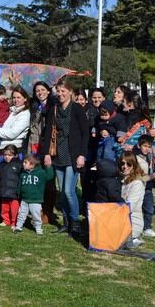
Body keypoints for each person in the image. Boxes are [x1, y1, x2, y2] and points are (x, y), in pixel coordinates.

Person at [43, 79, 89, 235]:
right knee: (62, 191)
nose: (60, 93)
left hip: (73, 154)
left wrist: (82, 154)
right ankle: (66, 222)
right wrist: (46, 154)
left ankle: (75, 223)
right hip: (57, 154)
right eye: (58, 91)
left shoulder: (76, 109)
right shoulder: (54, 109)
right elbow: (47, 133)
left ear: (70, 92)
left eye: (63, 91)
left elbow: (85, 133)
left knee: (69, 191)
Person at [28, 81, 56, 225]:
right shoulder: (34, 106)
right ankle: (36, 211)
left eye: (43, 89)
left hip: (48, 147)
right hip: (34, 146)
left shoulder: (53, 105)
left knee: (49, 181)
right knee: (37, 180)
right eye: (37, 90)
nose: (40, 92)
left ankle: (47, 212)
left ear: (49, 91)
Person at [14, 154, 54, 234]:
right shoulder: (23, 174)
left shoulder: (41, 173)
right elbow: (20, 185)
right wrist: (18, 193)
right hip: (25, 199)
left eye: (25, 162)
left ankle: (38, 228)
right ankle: (18, 226)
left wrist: (49, 167)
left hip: (36, 200)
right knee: (21, 213)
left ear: (32, 165)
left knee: (36, 215)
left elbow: (49, 176)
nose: (23, 164)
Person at [0, 86, 31, 162]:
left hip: (13, 150)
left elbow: (12, 133)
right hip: (2, 149)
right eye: (14, 97)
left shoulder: (25, 114)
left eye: (18, 97)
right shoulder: (12, 111)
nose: (16, 100)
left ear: (25, 99)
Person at [134, 134, 155, 237]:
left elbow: (152, 169)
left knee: (149, 208)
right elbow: (136, 175)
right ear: (139, 145)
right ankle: (133, 228)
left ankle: (147, 227)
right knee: (135, 208)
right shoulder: (134, 157)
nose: (147, 149)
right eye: (145, 146)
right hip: (136, 187)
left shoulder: (151, 157)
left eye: (149, 146)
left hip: (148, 186)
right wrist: (150, 177)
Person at [0, 145, 22, 229]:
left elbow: (22, 178)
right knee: (4, 208)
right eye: (5, 155)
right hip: (4, 191)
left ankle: (14, 222)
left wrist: (20, 190)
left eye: (9, 155)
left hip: (14, 194)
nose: (7, 157)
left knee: (14, 209)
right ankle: (6, 220)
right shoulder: (1, 165)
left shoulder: (19, 165)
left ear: (15, 155)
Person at [119, 151, 146, 248]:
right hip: (118, 219)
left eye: (128, 164)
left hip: (132, 222)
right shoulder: (120, 180)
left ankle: (135, 238)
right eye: (122, 163)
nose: (125, 166)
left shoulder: (137, 184)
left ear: (134, 165)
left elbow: (129, 207)